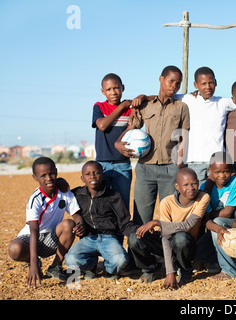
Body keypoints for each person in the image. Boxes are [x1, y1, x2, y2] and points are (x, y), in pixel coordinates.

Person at [131, 66, 236, 185]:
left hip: (219, 162)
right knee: (199, 201)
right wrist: (142, 97)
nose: (208, 87)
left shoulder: (223, 103)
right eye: (203, 84)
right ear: (196, 85)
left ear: (216, 83)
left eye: (211, 83)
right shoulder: (187, 99)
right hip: (194, 162)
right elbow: (164, 96)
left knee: (218, 200)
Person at [115, 65, 190, 225]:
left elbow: (184, 136)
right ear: (161, 79)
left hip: (171, 169)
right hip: (145, 169)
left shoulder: (182, 107)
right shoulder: (145, 105)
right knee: (141, 218)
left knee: (169, 218)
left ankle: (166, 250)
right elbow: (131, 127)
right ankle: (139, 251)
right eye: (171, 81)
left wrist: (180, 165)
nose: (174, 86)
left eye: (178, 83)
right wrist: (118, 142)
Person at [130, 168, 210, 289]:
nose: (191, 188)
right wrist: (170, 272)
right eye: (186, 185)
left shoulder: (203, 197)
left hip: (187, 244)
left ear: (198, 183)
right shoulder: (167, 202)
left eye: (194, 183)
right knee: (134, 238)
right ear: (177, 186)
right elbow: (166, 236)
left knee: (181, 237)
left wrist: (158, 223)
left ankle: (185, 271)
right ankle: (149, 269)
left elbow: (187, 226)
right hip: (168, 242)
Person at [8, 157, 81, 288]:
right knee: (14, 249)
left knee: (69, 224)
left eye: (51, 173)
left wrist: (79, 224)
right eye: (43, 175)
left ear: (56, 172)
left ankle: (55, 266)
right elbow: (34, 231)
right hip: (31, 237)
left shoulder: (64, 192)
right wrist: (34, 262)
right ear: (35, 177)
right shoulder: (35, 199)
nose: (49, 178)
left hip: (51, 237)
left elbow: (76, 214)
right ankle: (32, 260)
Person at [64, 161, 140, 280]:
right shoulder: (77, 194)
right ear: (82, 178)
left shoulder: (114, 196)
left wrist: (140, 230)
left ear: (103, 176)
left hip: (109, 238)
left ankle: (109, 269)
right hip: (88, 239)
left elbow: (124, 223)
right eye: (87, 174)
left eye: (96, 173)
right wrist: (60, 183)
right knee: (70, 259)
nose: (92, 177)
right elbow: (62, 195)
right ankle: (90, 266)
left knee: (120, 260)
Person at [194, 151, 236, 271]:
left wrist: (208, 215)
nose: (222, 175)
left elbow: (228, 213)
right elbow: (204, 220)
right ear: (210, 171)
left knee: (217, 221)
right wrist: (208, 219)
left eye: (226, 171)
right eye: (217, 172)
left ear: (231, 169)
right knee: (197, 250)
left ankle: (228, 269)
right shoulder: (204, 188)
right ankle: (214, 261)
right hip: (218, 225)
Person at [92, 73, 133, 208]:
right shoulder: (99, 107)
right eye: (108, 89)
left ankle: (122, 230)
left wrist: (140, 98)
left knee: (122, 204)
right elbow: (102, 125)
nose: (113, 92)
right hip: (102, 165)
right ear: (103, 92)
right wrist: (121, 107)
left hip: (123, 164)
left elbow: (132, 128)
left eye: (116, 88)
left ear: (123, 88)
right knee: (102, 204)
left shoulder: (130, 110)